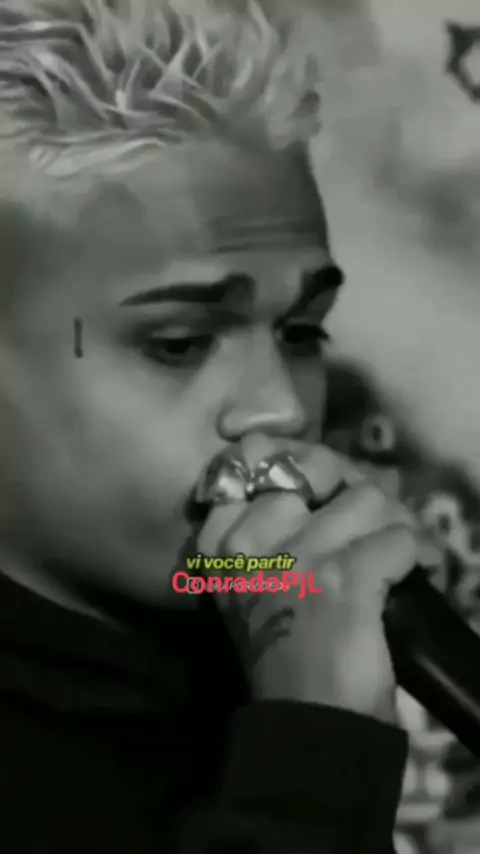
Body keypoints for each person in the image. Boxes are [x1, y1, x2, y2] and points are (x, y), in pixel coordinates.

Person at [0, 1, 420, 851]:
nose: (282, 409)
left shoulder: (255, 645)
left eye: (301, 332)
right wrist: (314, 757)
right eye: (180, 342)